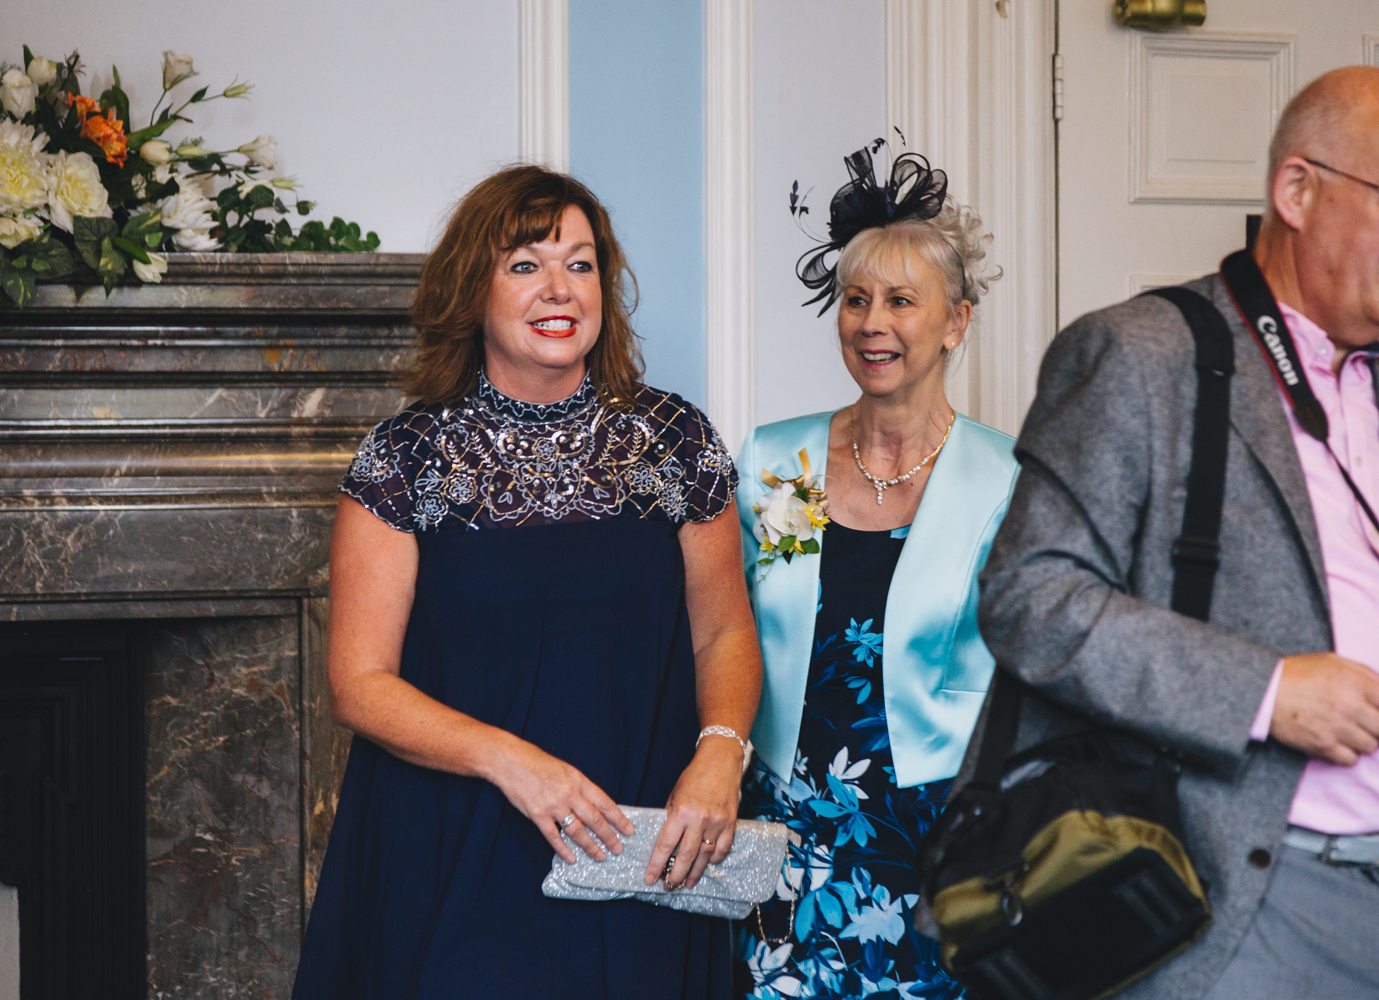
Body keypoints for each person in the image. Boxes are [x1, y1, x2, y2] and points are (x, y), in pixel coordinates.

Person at [290, 165, 762, 1000]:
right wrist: (517, 765)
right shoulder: (406, 458)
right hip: (458, 839)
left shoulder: (674, 439)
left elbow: (722, 630)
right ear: (473, 288)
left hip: (641, 842)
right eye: (526, 264)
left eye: (580, 265)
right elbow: (358, 685)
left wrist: (720, 757)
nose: (560, 289)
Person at [970, 66, 1379, 998]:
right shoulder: (1143, 354)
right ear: (1298, 191)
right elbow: (1032, 600)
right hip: (1239, 903)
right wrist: (1267, 692)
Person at [732, 142, 1018, 999]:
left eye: (901, 301)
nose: (871, 323)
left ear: (955, 322)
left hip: (940, 835)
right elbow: (744, 616)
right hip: (785, 824)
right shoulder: (782, 462)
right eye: (855, 300)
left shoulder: (1005, 482)